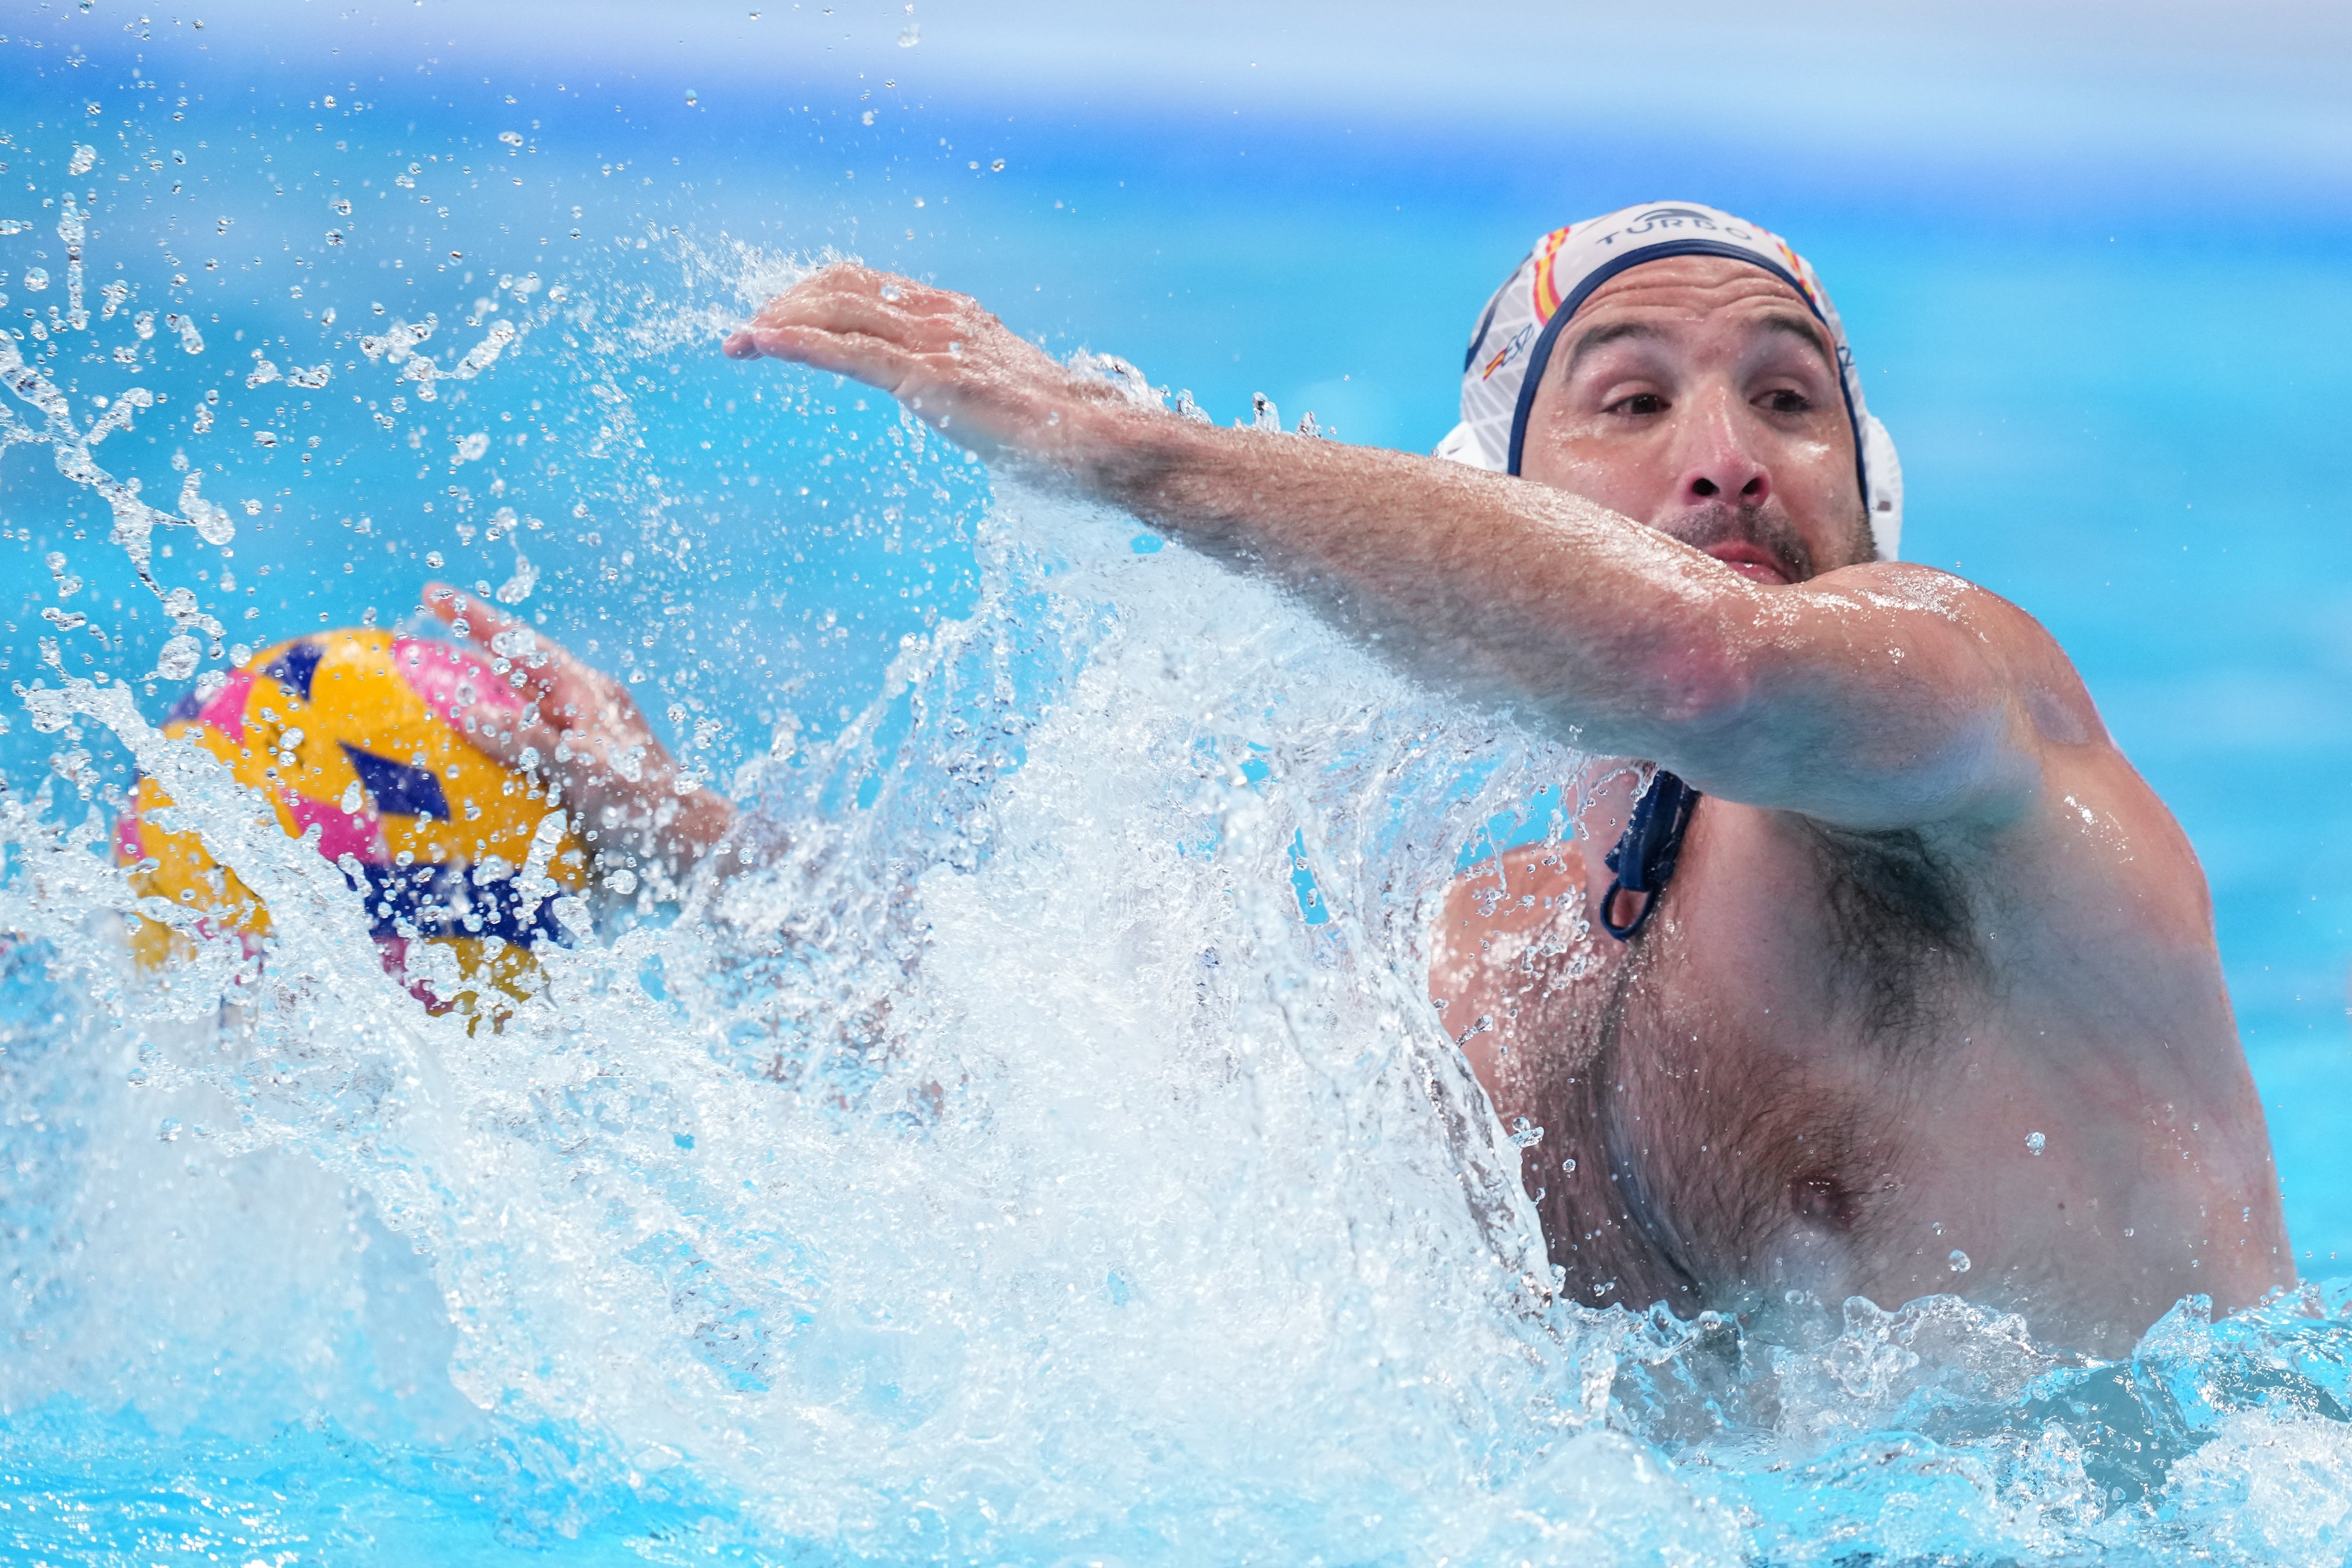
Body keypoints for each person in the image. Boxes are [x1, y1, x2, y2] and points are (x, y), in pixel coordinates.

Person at [459, 200, 2286, 1352]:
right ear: (1493, 506)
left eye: (1789, 400)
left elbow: (1696, 659)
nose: (1729, 460)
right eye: (1634, 403)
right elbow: (1067, 1063)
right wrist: (670, 836)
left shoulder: (1967, 711)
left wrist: (1129, 459)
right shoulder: (1507, 970)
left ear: (1873, 494)